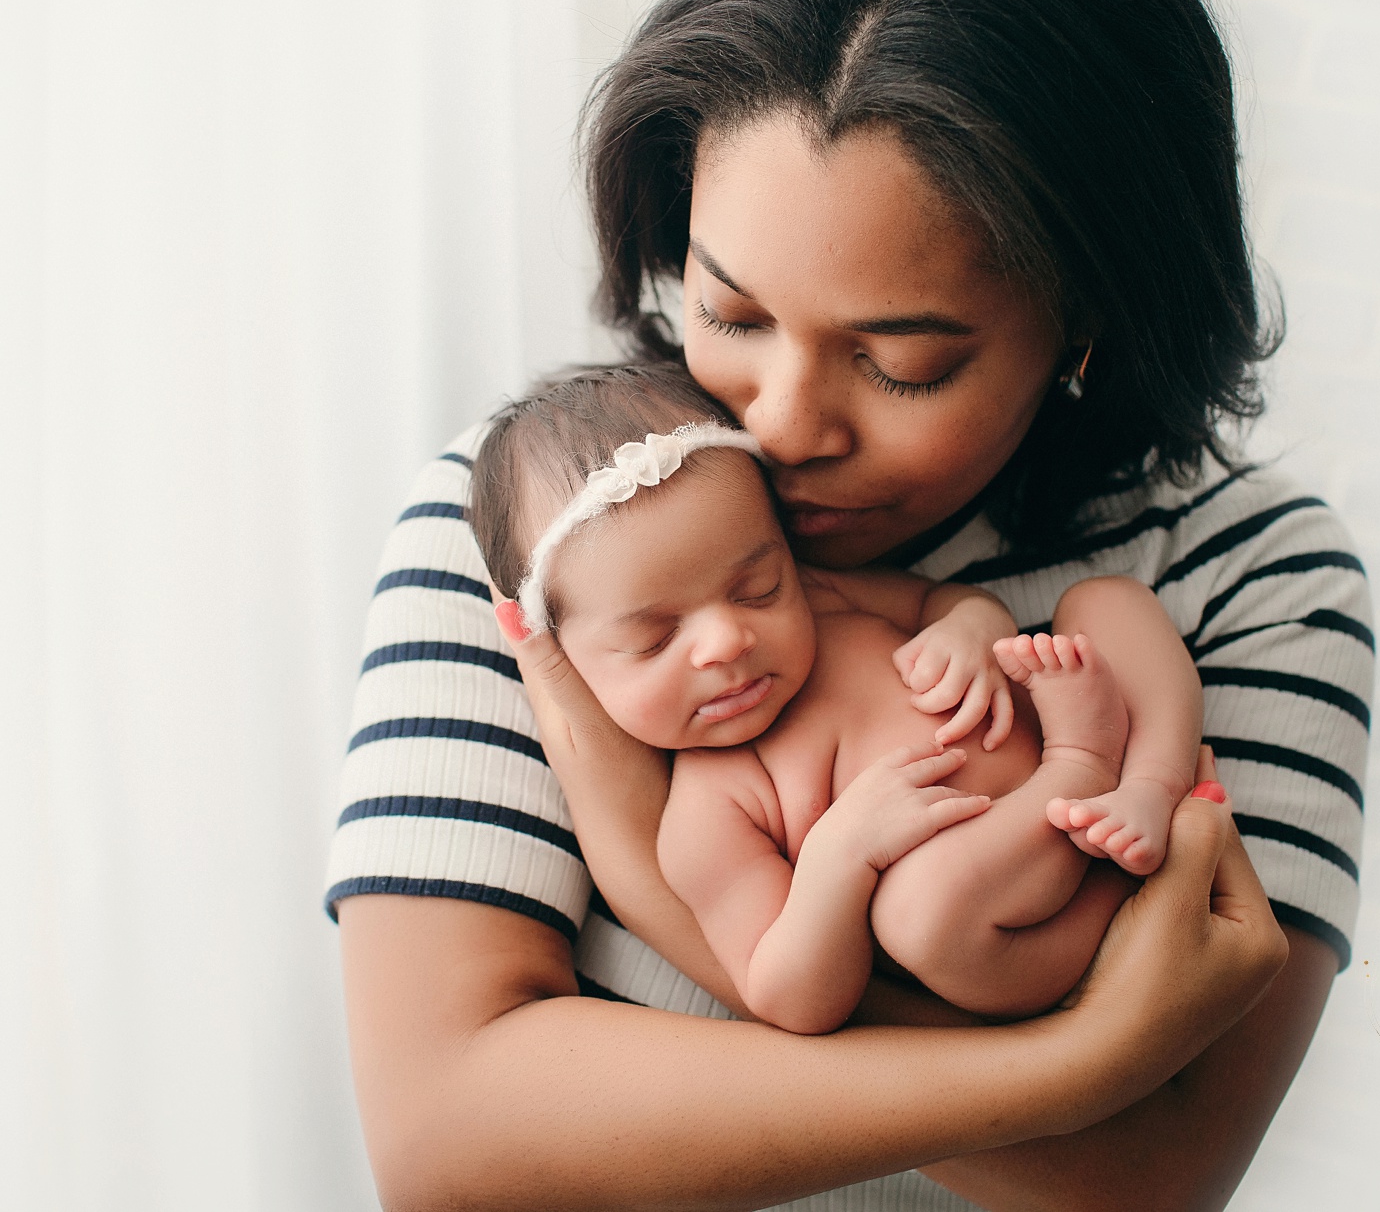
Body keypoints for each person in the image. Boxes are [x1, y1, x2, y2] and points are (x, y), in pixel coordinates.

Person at [330, 0, 1371, 1207]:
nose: (780, 427)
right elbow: (450, 1142)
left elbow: (1145, 1186)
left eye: (901, 363)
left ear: (1086, 319)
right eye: (731, 312)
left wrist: (650, 877)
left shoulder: (1251, 577)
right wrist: (1078, 1064)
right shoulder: (552, 534)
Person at [463, 362, 1207, 1033]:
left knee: (1107, 602)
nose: (726, 639)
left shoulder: (823, 596)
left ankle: (1148, 781)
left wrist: (970, 630)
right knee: (919, 913)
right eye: (655, 638)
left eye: (758, 587)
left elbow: (946, 600)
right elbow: (786, 994)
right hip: (1025, 915)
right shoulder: (704, 821)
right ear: (561, 655)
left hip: (1103, 801)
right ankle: (1082, 766)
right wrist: (839, 854)